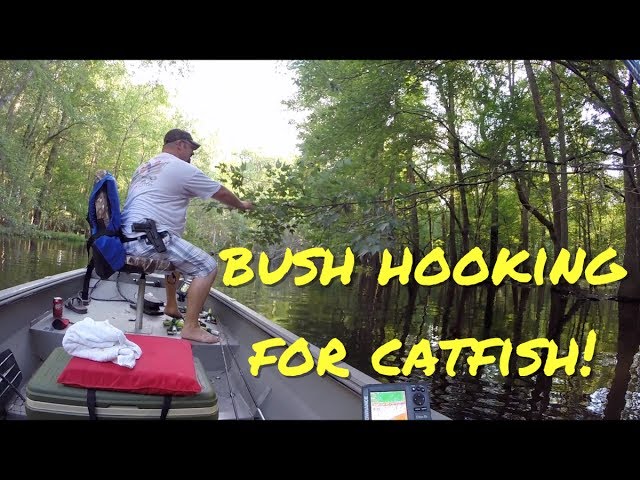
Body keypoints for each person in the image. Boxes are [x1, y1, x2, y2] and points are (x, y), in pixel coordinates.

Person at [121, 129, 254, 343]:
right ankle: (191, 327)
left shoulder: (144, 168)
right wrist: (241, 205)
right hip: (148, 241)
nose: (192, 155)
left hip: (128, 239)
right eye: (191, 149)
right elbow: (221, 193)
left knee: (177, 251)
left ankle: (172, 305)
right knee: (207, 266)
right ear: (181, 144)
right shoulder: (180, 168)